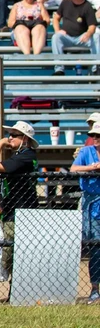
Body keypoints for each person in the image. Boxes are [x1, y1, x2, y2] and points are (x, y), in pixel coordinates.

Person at [0, 120, 39, 293]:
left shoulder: (26, 155)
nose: (9, 138)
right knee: (11, 251)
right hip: (11, 209)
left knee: (13, 252)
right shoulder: (18, 156)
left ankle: (16, 291)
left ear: (24, 139)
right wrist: (0, 203)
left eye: (14, 135)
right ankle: (14, 291)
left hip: (21, 211)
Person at [71, 126, 100, 303]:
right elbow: (74, 169)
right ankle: (95, 288)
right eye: (93, 135)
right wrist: (93, 167)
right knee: (96, 248)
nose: (95, 137)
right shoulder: (87, 151)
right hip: (92, 205)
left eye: (98, 135)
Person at [51, 0, 100, 75]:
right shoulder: (65, 2)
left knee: (96, 37)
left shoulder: (87, 6)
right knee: (56, 37)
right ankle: (59, 69)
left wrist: (88, 34)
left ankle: (96, 68)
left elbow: (92, 26)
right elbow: (56, 18)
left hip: (81, 37)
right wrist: (57, 30)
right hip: (67, 36)